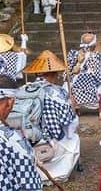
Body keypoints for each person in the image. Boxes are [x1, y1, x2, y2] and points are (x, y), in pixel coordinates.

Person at [18, 51, 80, 182]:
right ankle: (58, 173)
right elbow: (68, 123)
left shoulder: (23, 89)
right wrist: (72, 109)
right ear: (53, 74)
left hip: (25, 139)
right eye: (56, 74)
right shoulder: (57, 92)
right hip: (49, 141)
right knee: (73, 139)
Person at [66, 31, 101, 119]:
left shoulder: (73, 54)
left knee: (70, 81)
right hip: (90, 93)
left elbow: (67, 73)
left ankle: (76, 106)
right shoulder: (95, 57)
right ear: (94, 44)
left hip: (72, 89)